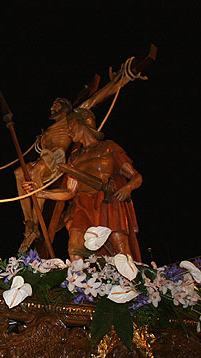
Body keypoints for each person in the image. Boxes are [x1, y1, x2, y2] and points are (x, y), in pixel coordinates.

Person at [23, 108, 142, 261]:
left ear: (83, 124)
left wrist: (128, 187)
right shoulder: (74, 158)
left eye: (71, 125)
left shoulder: (108, 147)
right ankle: (81, 283)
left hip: (107, 202)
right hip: (82, 206)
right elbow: (69, 191)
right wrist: (40, 192)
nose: (69, 130)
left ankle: (128, 283)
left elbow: (136, 176)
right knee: (74, 248)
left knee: (120, 250)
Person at [16, 98, 75, 252]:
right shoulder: (49, 129)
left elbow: (95, 99)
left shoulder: (70, 118)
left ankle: (36, 223)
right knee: (19, 173)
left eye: (56, 105)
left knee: (36, 171)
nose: (52, 108)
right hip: (45, 156)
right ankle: (29, 222)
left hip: (56, 156)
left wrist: (124, 77)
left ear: (66, 106)